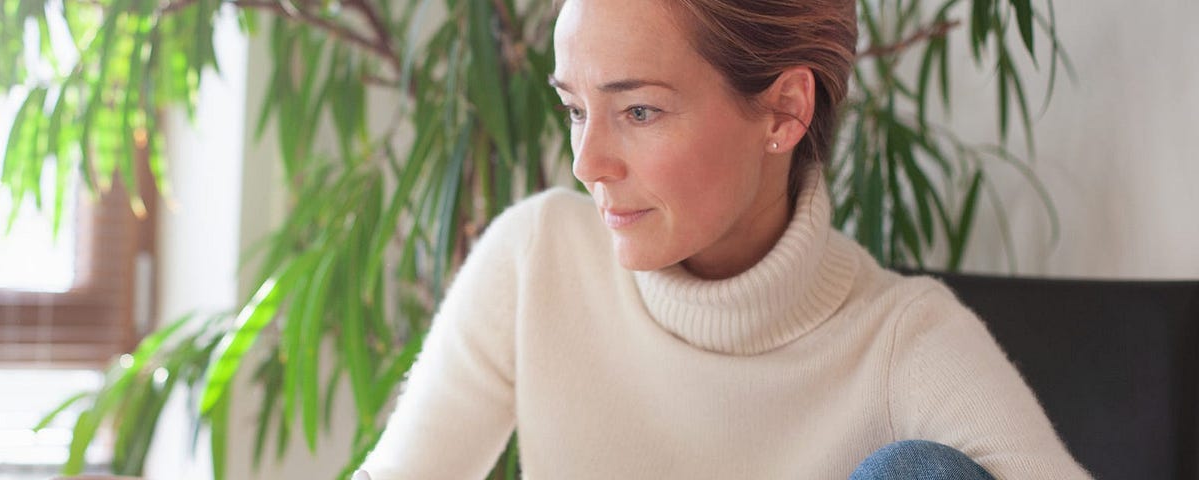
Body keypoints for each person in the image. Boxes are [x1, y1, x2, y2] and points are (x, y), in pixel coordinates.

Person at [353, 0, 1091, 478]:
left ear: (784, 111)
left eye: (639, 111)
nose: (587, 164)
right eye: (576, 109)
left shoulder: (903, 340)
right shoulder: (537, 259)